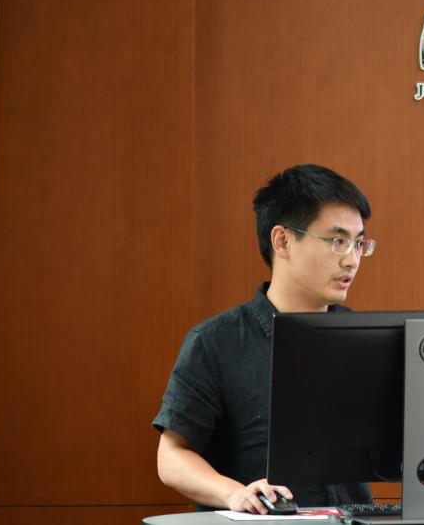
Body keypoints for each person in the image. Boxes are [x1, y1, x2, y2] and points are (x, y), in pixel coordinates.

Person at [153, 164, 375, 513]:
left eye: (359, 243)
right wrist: (234, 493)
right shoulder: (215, 343)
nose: (352, 260)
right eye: (338, 241)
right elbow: (171, 457)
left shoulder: (366, 341)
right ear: (283, 241)